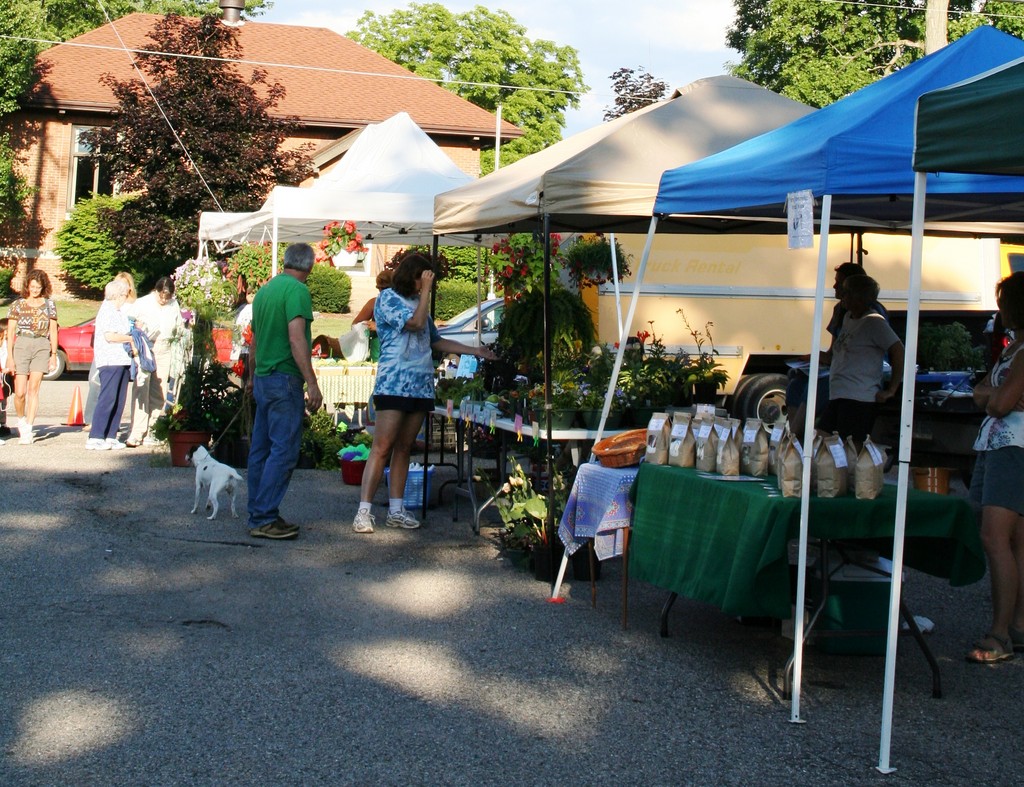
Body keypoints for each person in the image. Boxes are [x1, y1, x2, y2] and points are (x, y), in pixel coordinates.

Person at [352, 253, 496, 534]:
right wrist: (427, 291)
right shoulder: (388, 299)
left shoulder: (420, 303)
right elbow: (415, 325)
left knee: (405, 448)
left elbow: (435, 339)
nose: (425, 284)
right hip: (394, 383)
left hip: (419, 384)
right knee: (382, 447)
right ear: (413, 276)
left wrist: (475, 351)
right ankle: (363, 511)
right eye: (424, 278)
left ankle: (396, 509)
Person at [246, 244, 323, 540]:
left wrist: (252, 378)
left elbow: (253, 343)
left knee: (261, 450)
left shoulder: (266, 291)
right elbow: (296, 338)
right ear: (310, 266)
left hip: (264, 377)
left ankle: (258, 512)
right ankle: (264, 516)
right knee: (284, 449)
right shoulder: (298, 291)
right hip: (284, 379)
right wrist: (312, 382)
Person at [966, 272, 1024, 664]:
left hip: (1013, 449)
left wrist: (992, 398)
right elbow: (983, 393)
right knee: (1015, 542)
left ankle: (1000, 632)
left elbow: (1000, 404)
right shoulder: (1013, 347)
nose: (999, 309)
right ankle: (1016, 626)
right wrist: (992, 397)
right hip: (999, 445)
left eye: (1003, 301)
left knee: (995, 538)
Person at [787, 262, 887, 432]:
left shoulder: (873, 315)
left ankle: (797, 435)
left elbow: (892, 349)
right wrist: (814, 358)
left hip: (857, 376)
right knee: (795, 379)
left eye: (839, 283)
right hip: (840, 367)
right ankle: (796, 433)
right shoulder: (842, 311)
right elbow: (834, 351)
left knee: (819, 384)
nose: (834, 286)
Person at [816, 274, 904, 443]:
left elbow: (898, 350)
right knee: (823, 440)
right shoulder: (848, 317)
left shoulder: (874, 322)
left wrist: (891, 389)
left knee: (849, 448)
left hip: (858, 398)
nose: (842, 296)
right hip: (839, 394)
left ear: (859, 297)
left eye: (847, 293)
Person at [124, 276, 184, 447]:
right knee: (142, 389)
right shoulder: (144, 303)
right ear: (156, 291)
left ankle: (153, 428)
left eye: (168, 296)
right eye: (161, 296)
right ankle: (137, 431)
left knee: (160, 390)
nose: (164, 300)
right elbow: (129, 321)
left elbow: (178, 325)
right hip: (148, 347)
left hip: (165, 347)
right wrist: (137, 330)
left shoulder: (174, 304)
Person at [3, 270, 59, 445]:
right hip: (22, 344)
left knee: (33, 389)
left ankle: (29, 426)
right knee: (20, 393)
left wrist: (54, 354)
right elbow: (10, 331)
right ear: (27, 286)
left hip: (41, 345)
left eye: (38, 287)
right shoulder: (17, 305)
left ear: (43, 287)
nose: (35, 289)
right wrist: (9, 357)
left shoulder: (49, 305)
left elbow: (53, 330)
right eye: (32, 286)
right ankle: (21, 420)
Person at [86, 277, 134, 450]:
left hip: (122, 359)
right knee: (108, 397)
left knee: (119, 399)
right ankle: (96, 435)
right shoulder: (107, 309)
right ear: (118, 295)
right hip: (109, 359)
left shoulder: (119, 311)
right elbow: (110, 336)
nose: (125, 297)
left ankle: (111, 435)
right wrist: (131, 338)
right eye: (124, 294)